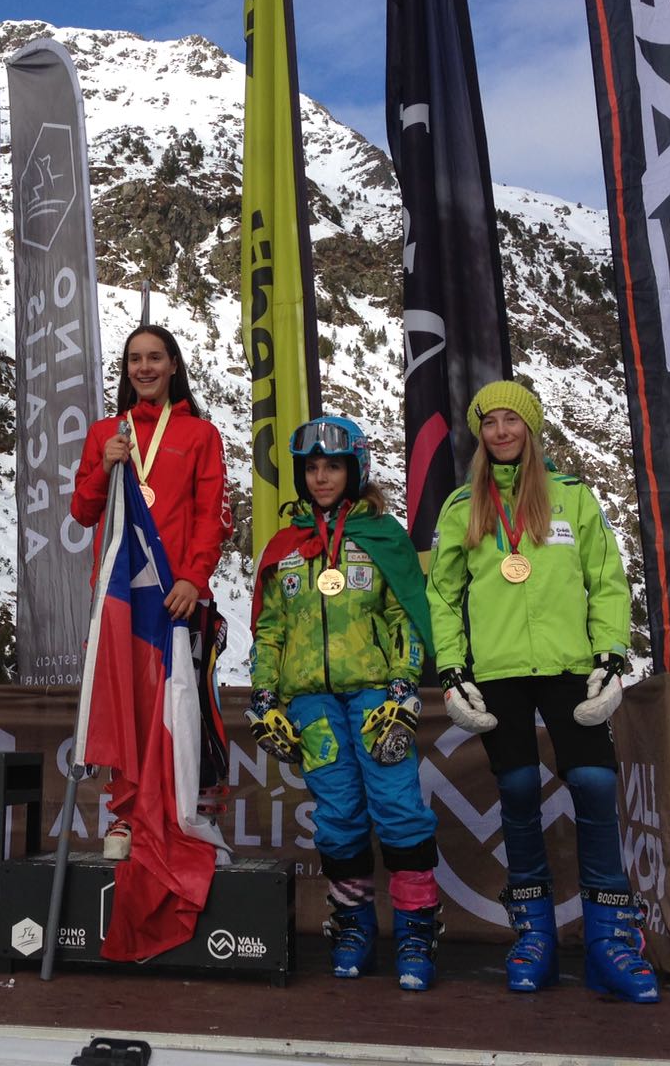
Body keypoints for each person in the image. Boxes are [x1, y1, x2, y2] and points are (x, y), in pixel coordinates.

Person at [427, 380, 659, 1003]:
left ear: (531, 429)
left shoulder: (572, 497)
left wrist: (610, 655)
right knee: (519, 791)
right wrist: (452, 670)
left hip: (569, 667)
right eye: (490, 423)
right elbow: (442, 596)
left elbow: (606, 580)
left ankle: (611, 941)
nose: (501, 431)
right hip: (498, 673)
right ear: (480, 435)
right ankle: (534, 936)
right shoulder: (461, 507)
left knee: (595, 785)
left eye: (512, 420)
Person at [247, 415, 441, 988]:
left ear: (355, 470)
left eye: (333, 466)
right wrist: (264, 695)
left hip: (377, 696)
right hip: (310, 703)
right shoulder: (285, 547)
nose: (321, 477)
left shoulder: (382, 536)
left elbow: (404, 617)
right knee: (337, 816)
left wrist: (404, 686)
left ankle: (416, 933)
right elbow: (270, 630)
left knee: (399, 808)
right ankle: (354, 925)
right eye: (311, 468)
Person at [70, 324, 232, 861]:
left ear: (173, 366)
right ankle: (124, 814)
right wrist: (104, 466)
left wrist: (192, 578)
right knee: (125, 706)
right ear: (126, 369)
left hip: (177, 596)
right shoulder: (105, 433)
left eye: (155, 358)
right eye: (135, 359)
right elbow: (83, 511)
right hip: (120, 598)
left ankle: (182, 810)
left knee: (183, 705)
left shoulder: (200, 434)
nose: (144, 368)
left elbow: (213, 517)